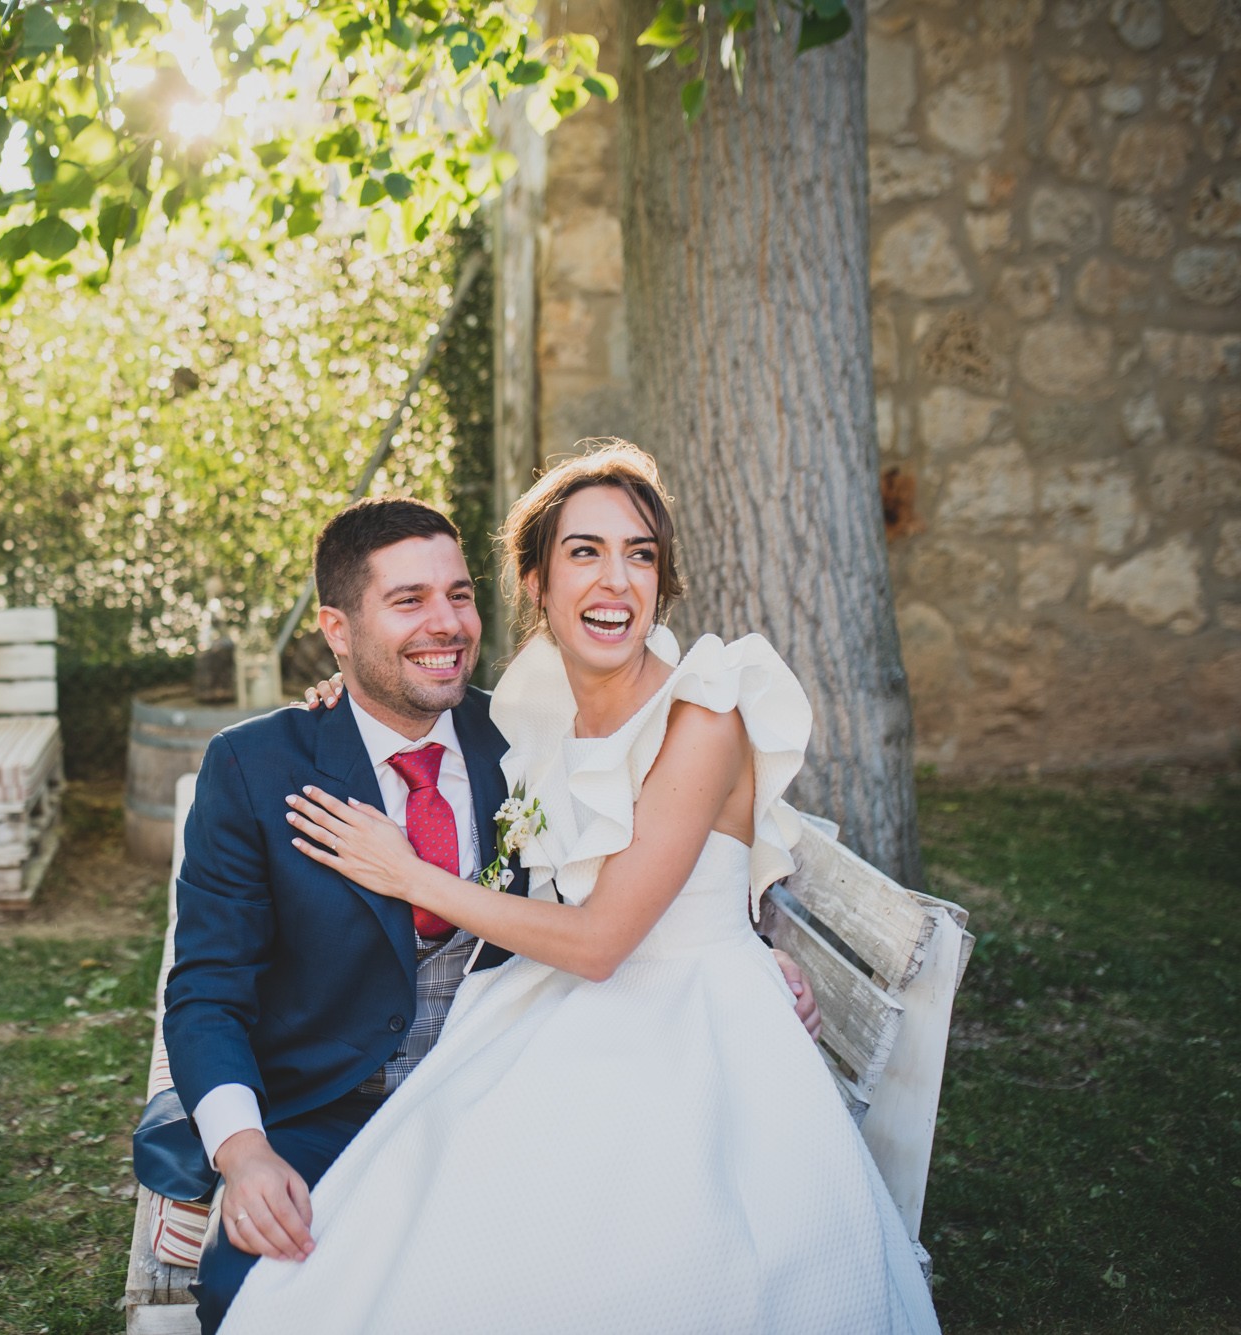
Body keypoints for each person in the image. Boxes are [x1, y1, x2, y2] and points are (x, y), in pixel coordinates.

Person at [216, 441, 941, 1334]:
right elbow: (408, 688)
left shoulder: (706, 708)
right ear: (536, 582)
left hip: (687, 1037)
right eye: (585, 551)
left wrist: (408, 875)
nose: (617, 579)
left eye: (640, 553)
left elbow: (604, 936)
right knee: (418, 1233)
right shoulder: (531, 710)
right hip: (565, 1008)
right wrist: (353, 682)